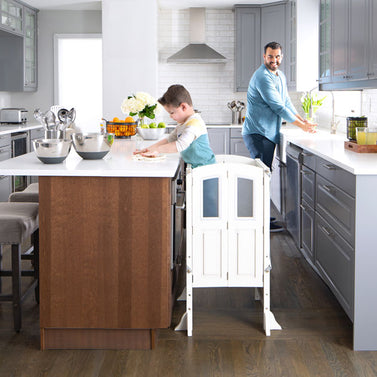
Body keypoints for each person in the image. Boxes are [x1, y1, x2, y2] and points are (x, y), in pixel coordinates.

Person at [242, 41, 317, 232]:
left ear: (281, 57)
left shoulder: (280, 76)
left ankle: (263, 218)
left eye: (277, 56)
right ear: (264, 56)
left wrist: (303, 122)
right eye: (270, 56)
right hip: (258, 133)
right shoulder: (262, 77)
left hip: (269, 133)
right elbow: (278, 107)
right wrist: (302, 125)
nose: (274, 60)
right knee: (261, 176)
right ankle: (260, 223)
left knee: (264, 175)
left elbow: (287, 103)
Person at [134, 84, 216, 169]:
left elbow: (181, 144)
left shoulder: (194, 123)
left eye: (172, 112)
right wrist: (148, 149)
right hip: (195, 169)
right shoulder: (182, 124)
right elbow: (169, 140)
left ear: (183, 107)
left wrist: (157, 150)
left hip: (206, 170)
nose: (171, 116)